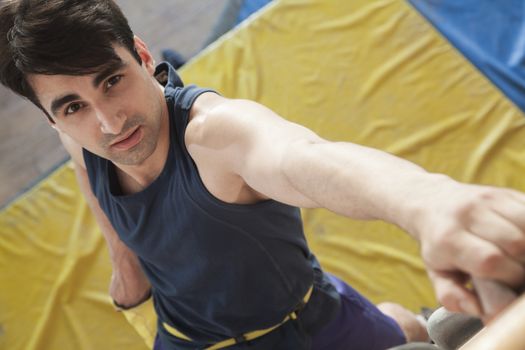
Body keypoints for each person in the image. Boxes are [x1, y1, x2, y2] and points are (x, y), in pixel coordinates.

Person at [1, 0, 524, 349]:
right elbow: (85, 166)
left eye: (113, 80)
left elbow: (301, 159)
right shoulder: (80, 134)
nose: (109, 122)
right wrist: (124, 261)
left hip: (304, 328)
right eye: (73, 107)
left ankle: (408, 323)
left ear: (142, 55)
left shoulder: (214, 134)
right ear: (52, 119)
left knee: (412, 333)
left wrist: (429, 201)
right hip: (183, 333)